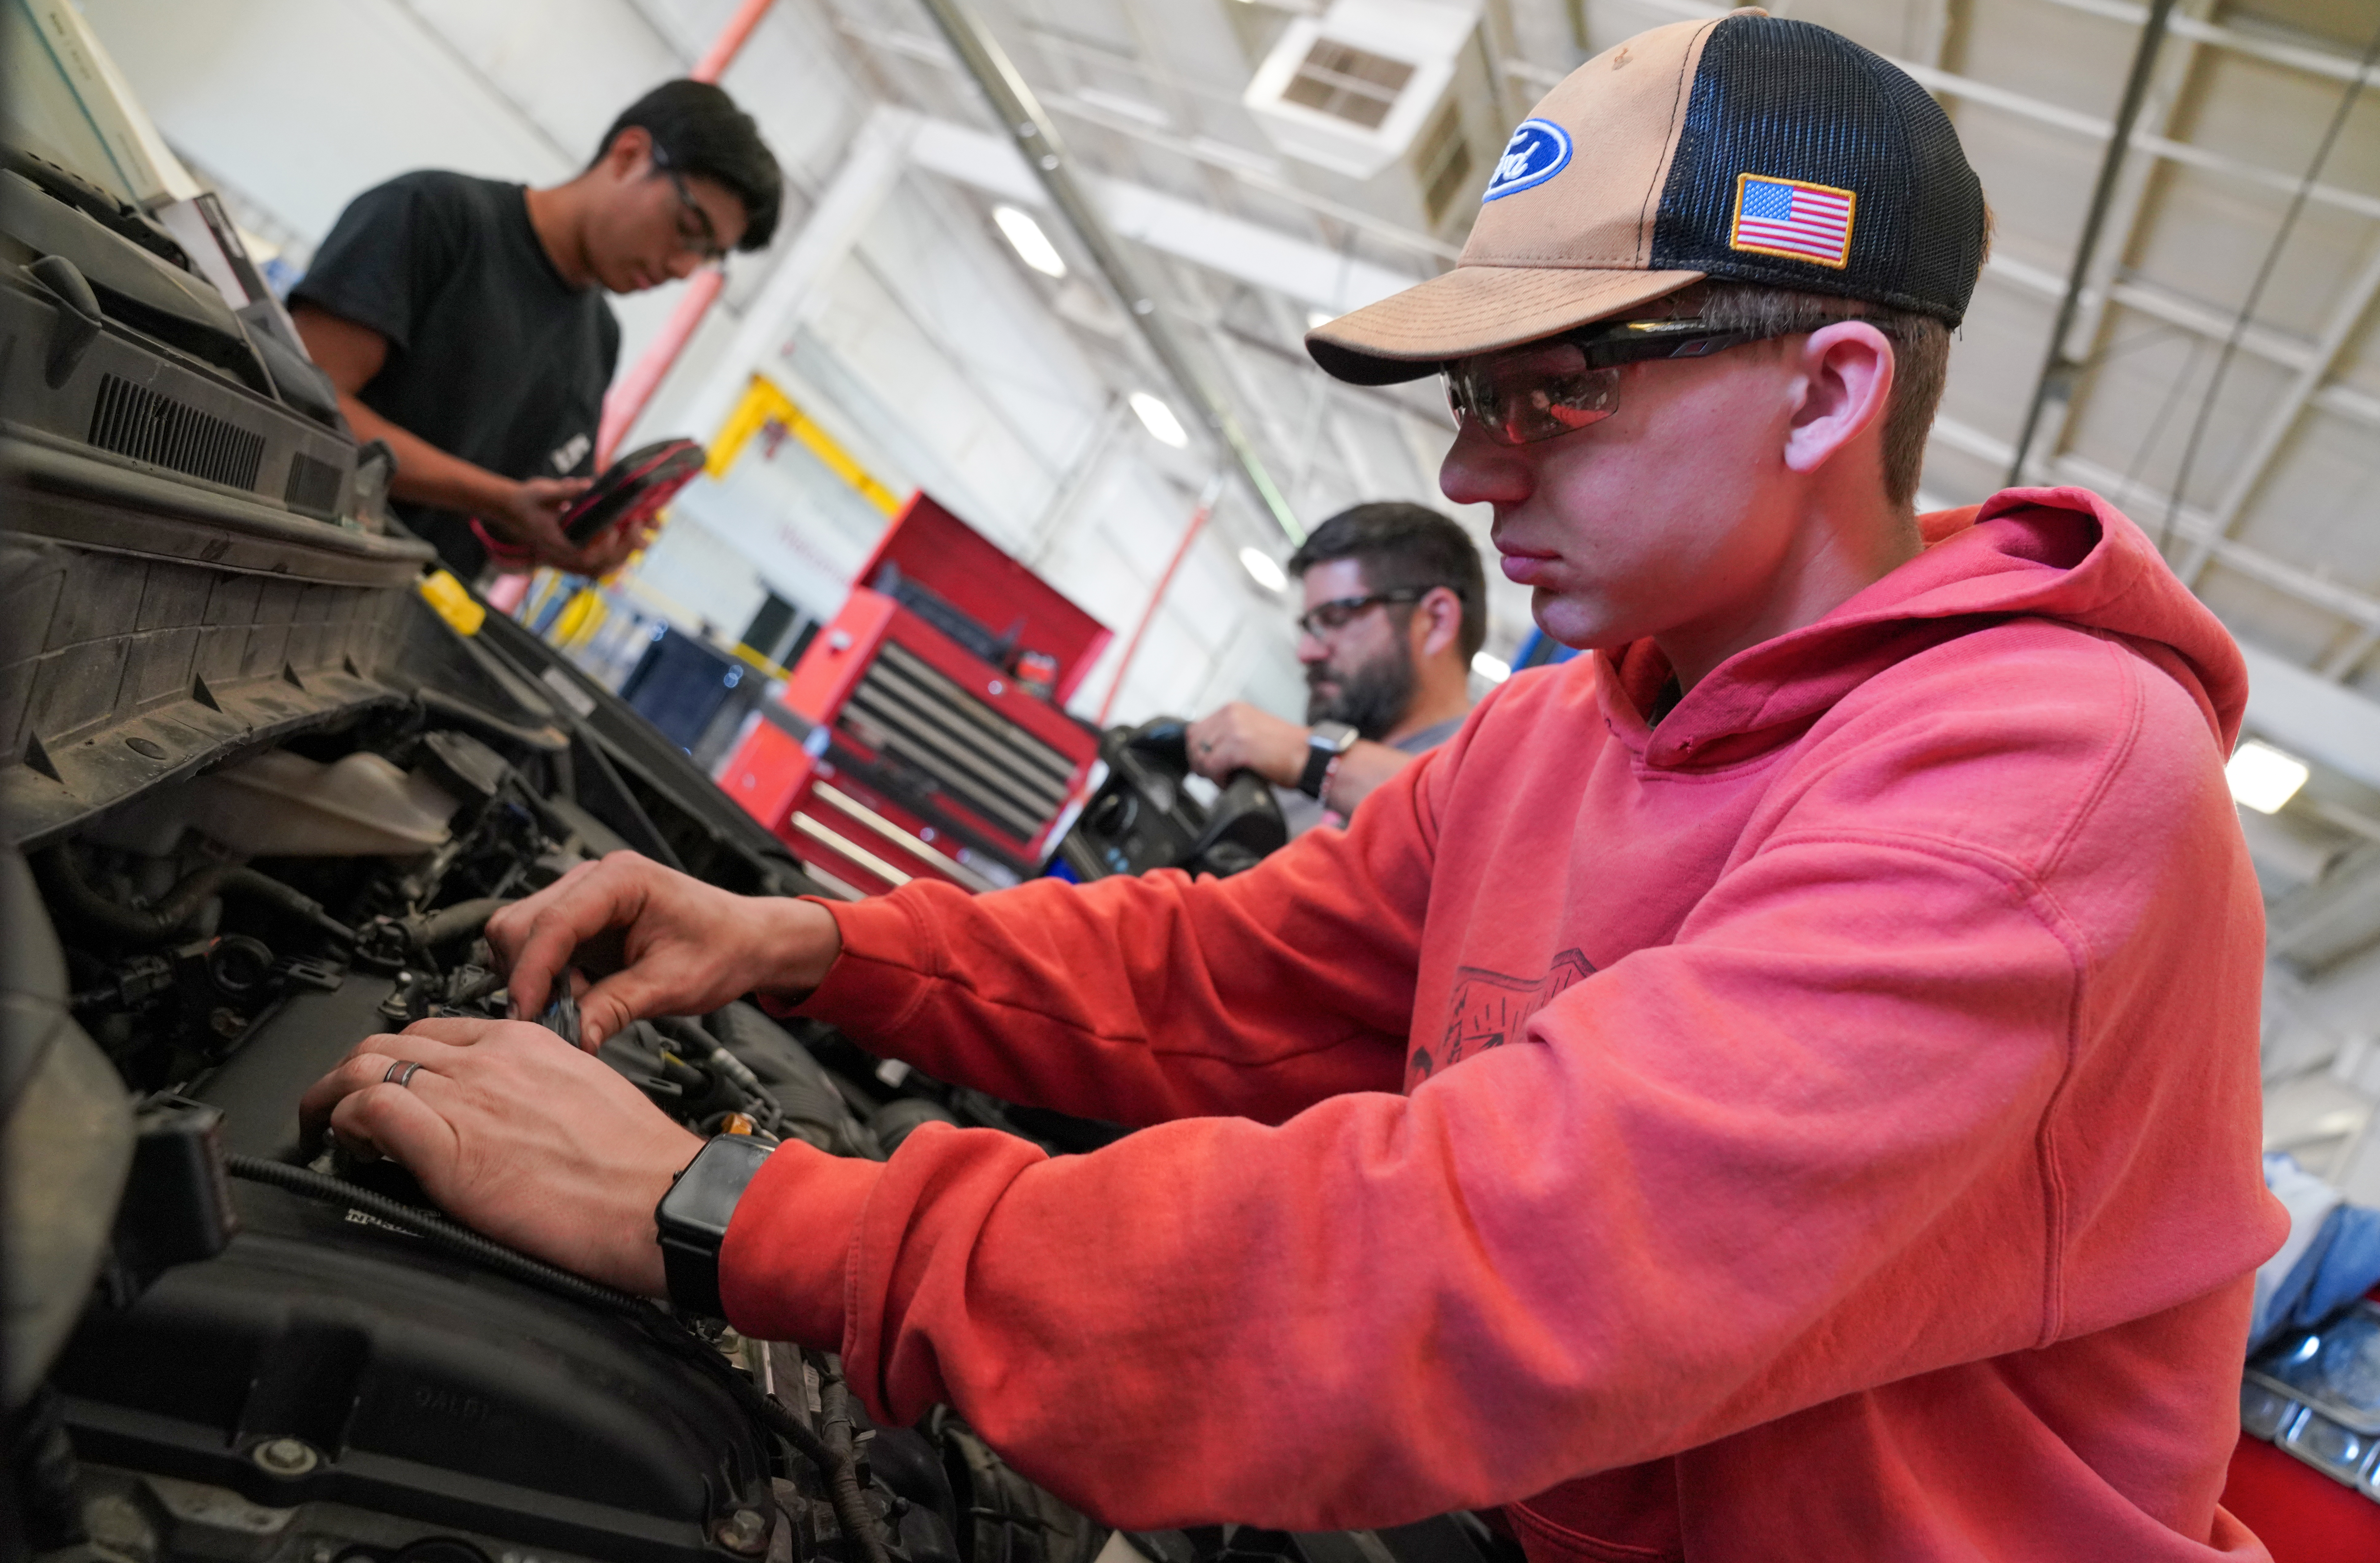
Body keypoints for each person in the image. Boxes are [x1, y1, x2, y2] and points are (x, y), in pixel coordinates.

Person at [302, 15, 2282, 1559]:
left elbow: (1494, 1261)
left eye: (1551, 389)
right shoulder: (1559, 723)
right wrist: (816, 937)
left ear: (1829, 389)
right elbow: (1224, 969)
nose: (1477, 472)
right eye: (1466, 397)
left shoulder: (2037, 789)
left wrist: (720, 1206)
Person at [291, 80, 781, 583]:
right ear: (628, 155)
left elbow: (506, 534)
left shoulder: (599, 340)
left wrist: (562, 543)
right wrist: (496, 498)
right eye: (687, 227)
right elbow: (298, 404)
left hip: (399, 617)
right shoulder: (435, 216)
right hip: (283, 566)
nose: (683, 267)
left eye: (706, 256)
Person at [1187, 502, 1484, 832]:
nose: (1306, 652)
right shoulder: (1290, 784)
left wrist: (1306, 758)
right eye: (1310, 628)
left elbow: (1472, 822)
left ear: (1435, 621)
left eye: (1336, 619)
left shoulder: (1498, 772)